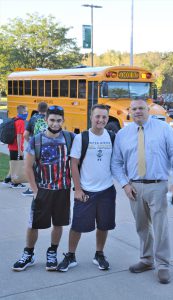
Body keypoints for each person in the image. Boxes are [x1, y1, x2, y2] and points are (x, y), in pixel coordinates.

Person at [111, 99, 173, 284]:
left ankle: (162, 265)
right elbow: (116, 163)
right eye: (134, 109)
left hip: (158, 185)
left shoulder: (164, 129)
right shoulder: (122, 134)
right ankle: (146, 260)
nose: (137, 111)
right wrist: (125, 185)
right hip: (134, 187)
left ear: (148, 110)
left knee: (160, 227)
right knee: (141, 227)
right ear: (129, 111)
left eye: (141, 108)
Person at [12, 105, 74, 272]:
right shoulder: (36, 140)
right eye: (52, 120)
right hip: (43, 189)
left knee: (59, 223)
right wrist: (35, 190)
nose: (55, 123)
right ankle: (29, 254)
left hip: (63, 189)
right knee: (34, 224)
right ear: (46, 120)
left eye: (58, 120)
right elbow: (28, 167)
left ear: (63, 121)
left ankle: (52, 252)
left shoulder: (70, 138)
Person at [56, 104, 116, 272]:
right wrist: (78, 189)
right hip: (86, 191)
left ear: (107, 118)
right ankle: (70, 255)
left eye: (104, 117)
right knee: (77, 226)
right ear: (91, 117)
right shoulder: (81, 138)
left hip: (107, 190)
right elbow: (73, 164)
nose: (101, 120)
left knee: (104, 225)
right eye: (97, 116)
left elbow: (118, 161)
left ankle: (99, 254)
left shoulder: (111, 137)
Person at [22, 102, 48, 196]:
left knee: (33, 167)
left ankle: (32, 189)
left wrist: (30, 142)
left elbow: (25, 134)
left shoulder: (33, 119)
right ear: (47, 109)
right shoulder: (49, 119)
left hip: (36, 147)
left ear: (38, 109)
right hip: (48, 146)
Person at [3, 105, 28, 188]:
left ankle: (7, 179)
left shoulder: (15, 118)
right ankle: (15, 183)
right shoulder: (20, 122)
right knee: (18, 165)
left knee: (14, 163)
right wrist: (20, 150)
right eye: (25, 111)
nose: (27, 113)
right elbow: (19, 136)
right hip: (16, 147)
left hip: (11, 146)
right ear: (22, 112)